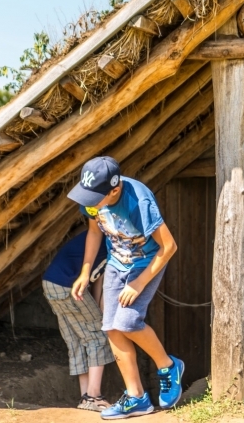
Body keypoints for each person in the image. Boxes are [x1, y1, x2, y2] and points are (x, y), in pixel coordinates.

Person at [67, 156, 184, 419]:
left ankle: (168, 366)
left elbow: (169, 247)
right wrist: (85, 272)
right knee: (111, 327)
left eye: (94, 197)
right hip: (116, 263)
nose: (88, 203)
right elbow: (95, 232)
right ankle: (137, 398)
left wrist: (138, 284)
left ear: (115, 189)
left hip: (147, 263)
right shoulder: (93, 201)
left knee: (128, 321)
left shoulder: (138, 201)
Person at [42, 228, 114, 411]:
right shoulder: (113, 241)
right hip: (68, 285)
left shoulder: (100, 237)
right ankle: (93, 396)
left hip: (51, 283)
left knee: (76, 338)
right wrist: (103, 321)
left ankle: (85, 397)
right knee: (98, 336)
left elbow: (98, 279)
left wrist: (99, 313)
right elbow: (104, 283)